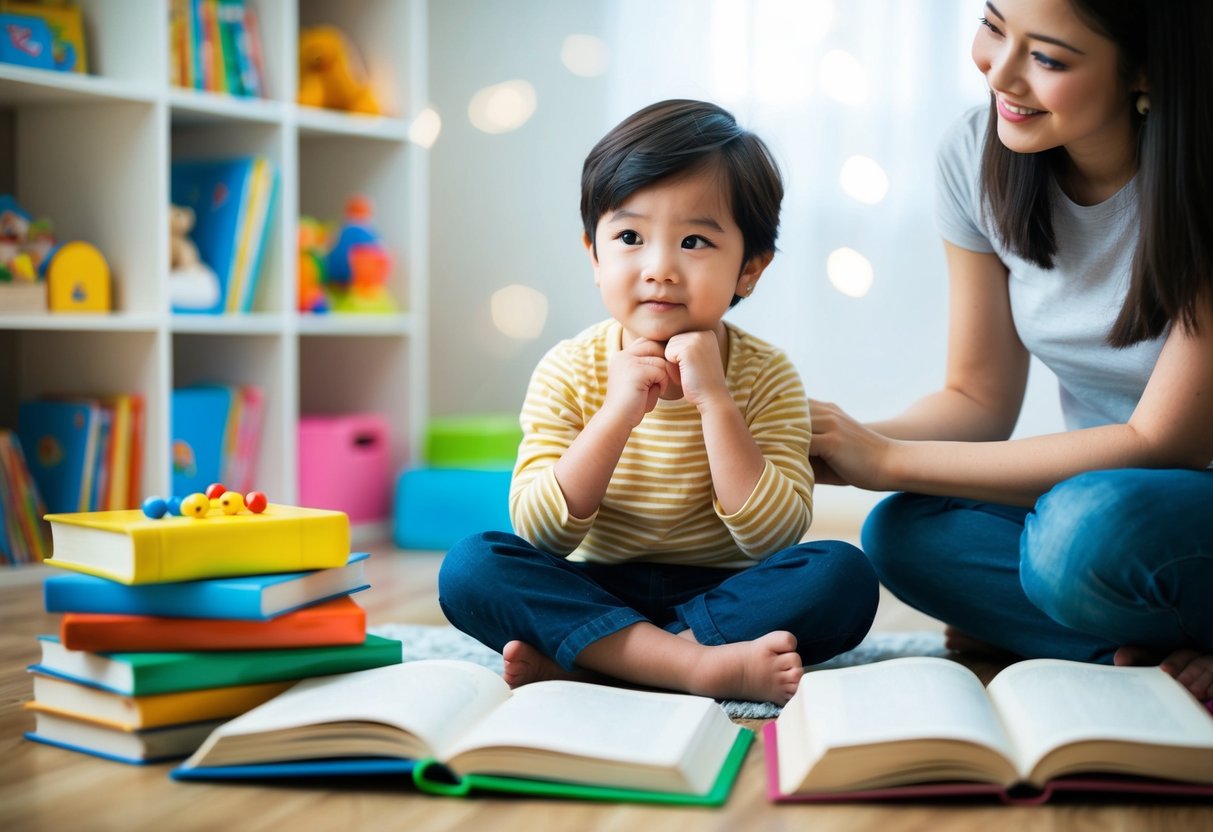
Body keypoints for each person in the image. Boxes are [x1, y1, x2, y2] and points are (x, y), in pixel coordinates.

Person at [809, 0, 1213, 701]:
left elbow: (1162, 444)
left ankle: (1086, 636)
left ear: (1144, 71)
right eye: (993, 25)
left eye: (1047, 57)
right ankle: (1158, 655)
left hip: (1142, 505)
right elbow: (976, 401)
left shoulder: (1200, 182)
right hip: (1103, 505)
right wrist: (826, 440)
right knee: (904, 531)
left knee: (1075, 538)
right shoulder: (973, 154)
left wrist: (883, 457)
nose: (998, 71)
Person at [440, 99, 878, 705]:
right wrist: (618, 410)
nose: (660, 268)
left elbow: (774, 539)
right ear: (594, 255)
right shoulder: (569, 368)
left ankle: (601, 661)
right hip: (593, 584)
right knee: (471, 567)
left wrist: (716, 401)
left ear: (749, 270)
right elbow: (540, 534)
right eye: (629, 236)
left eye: (695, 240)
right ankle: (694, 665)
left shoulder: (768, 373)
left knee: (842, 575)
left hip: (725, 588)